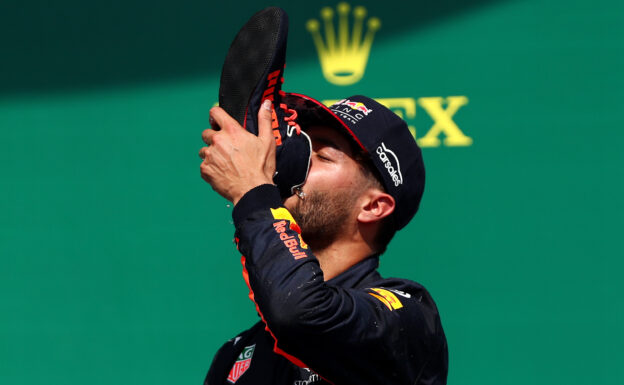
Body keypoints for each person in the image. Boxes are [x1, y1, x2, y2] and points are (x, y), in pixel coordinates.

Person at [199, 93, 448, 384]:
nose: (298, 161)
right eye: (302, 146)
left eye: (323, 155)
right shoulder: (237, 353)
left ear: (373, 206)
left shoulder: (407, 317)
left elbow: (301, 311)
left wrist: (253, 195)